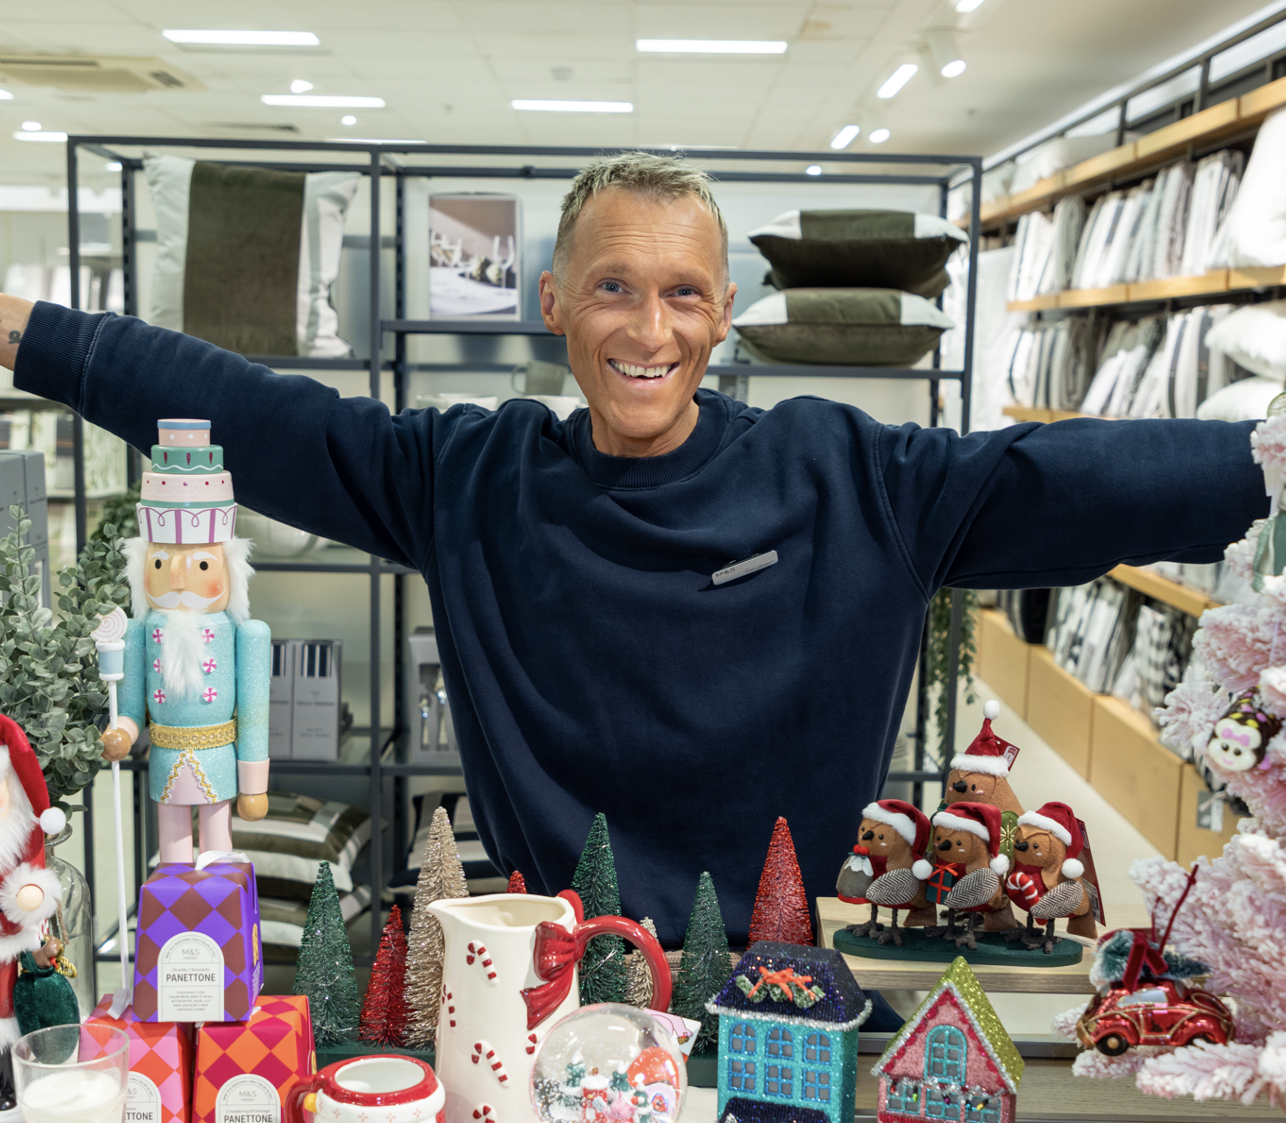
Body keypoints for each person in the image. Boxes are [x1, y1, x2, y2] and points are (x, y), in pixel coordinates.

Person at [0, 152, 1268, 948]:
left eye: (680, 293)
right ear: (551, 300)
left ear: (723, 314)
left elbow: (1068, 475)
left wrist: (1263, 462)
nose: (645, 327)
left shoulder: (853, 476)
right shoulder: (465, 475)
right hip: (547, 970)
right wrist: (22, 331)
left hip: (786, 972)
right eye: (611, 286)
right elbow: (263, 418)